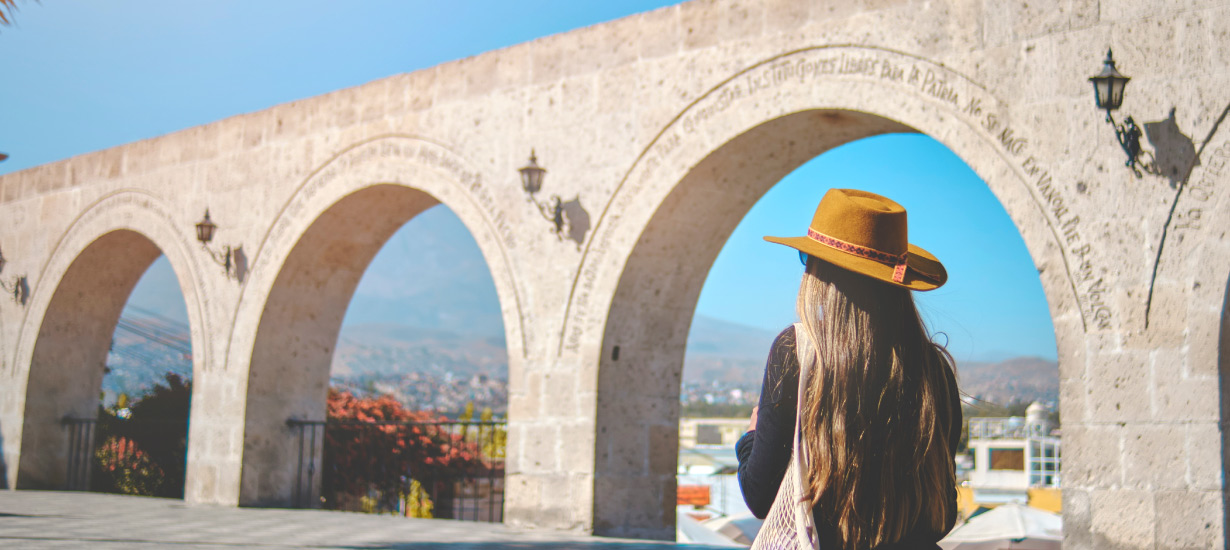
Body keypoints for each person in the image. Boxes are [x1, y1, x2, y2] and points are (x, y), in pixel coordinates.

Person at [735, 188, 962, 550]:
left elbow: (760, 497)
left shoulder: (796, 351)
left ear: (821, 272)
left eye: (807, 257)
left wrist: (750, 437)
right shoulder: (935, 370)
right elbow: (941, 517)